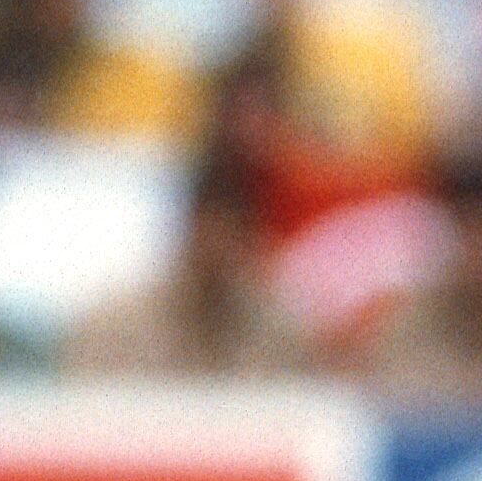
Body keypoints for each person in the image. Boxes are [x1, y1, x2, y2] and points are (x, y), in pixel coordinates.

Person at [61, 141, 315, 376]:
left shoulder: (278, 334)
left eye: (229, 234)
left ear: (251, 239)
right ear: (189, 229)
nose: (217, 248)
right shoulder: (115, 327)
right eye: (209, 231)